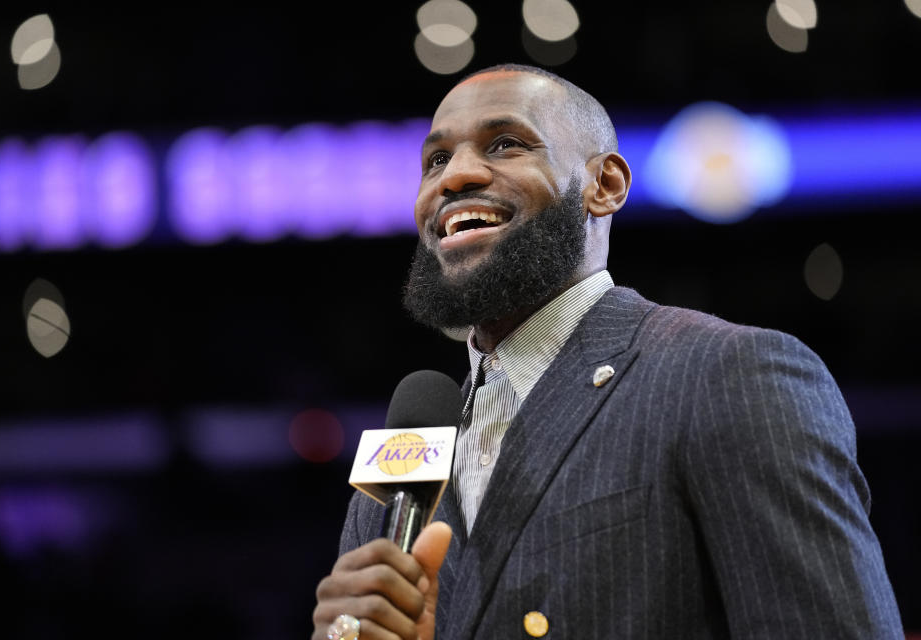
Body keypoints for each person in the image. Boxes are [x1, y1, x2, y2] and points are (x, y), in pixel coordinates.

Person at [312, 64, 904, 639]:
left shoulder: (728, 374)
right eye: (435, 159)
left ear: (606, 185)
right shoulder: (403, 462)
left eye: (506, 144)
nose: (454, 177)